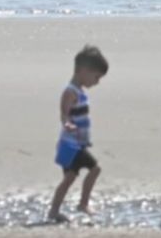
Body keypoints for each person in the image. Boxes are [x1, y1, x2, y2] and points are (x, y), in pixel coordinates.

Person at [47, 45, 109, 223]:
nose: (97, 82)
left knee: (76, 175)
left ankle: (76, 205)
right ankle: (63, 209)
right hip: (69, 145)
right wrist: (66, 123)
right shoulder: (70, 92)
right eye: (96, 77)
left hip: (77, 144)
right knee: (75, 176)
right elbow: (64, 113)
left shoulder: (80, 92)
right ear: (83, 71)